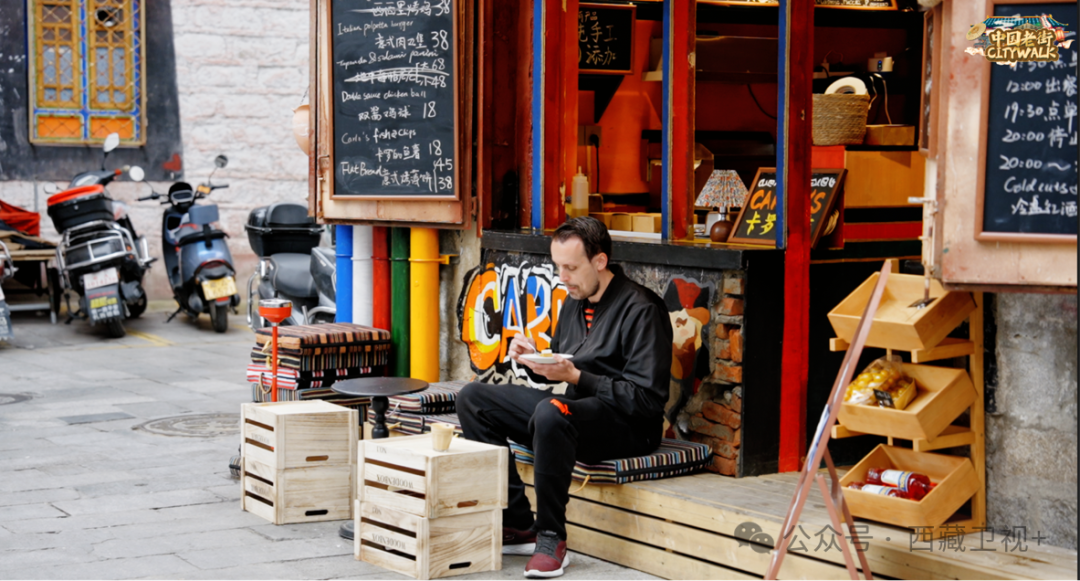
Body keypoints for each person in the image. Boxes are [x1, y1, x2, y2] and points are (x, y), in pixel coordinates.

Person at [457, 217, 673, 578]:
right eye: (558, 267)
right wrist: (529, 357)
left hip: (629, 426)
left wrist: (576, 377)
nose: (563, 277)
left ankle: (551, 536)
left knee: (551, 412)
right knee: (473, 398)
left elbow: (646, 400)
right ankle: (518, 523)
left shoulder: (642, 309)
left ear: (600, 262)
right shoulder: (576, 301)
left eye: (571, 267)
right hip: (573, 414)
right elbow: (563, 362)